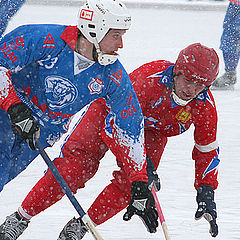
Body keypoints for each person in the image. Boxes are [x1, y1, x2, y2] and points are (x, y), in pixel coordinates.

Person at [0, 43, 220, 240]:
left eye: (201, 85)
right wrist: (140, 162)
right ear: (177, 71)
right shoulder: (148, 80)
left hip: (151, 133)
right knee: (75, 168)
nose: (192, 90)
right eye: (188, 80)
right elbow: (115, 125)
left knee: (135, 185)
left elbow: (206, 150)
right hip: (108, 113)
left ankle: (81, 227)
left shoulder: (204, 107)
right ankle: (20, 218)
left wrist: (206, 190)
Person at [0, 0, 159, 239]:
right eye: (116, 36)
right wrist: (14, 107)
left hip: (41, 134)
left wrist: (138, 180)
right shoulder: (44, 38)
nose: (121, 44)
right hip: (6, 113)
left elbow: (131, 127)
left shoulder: (112, 74)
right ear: (95, 29)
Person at [212, 0, 240, 89]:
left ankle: (230, 74)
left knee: (232, 36)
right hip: (235, 4)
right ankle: (230, 74)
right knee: (229, 37)